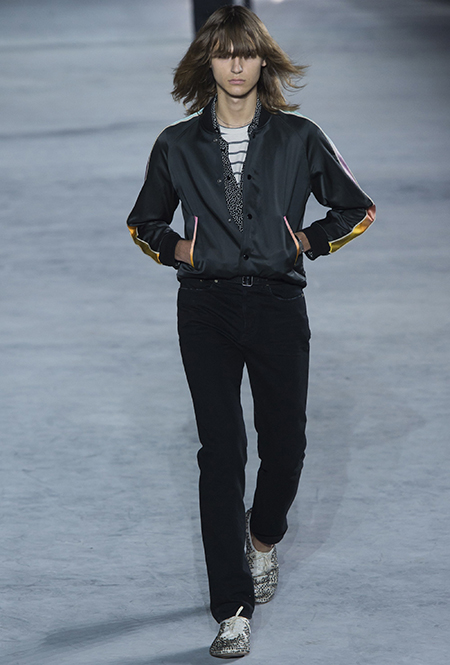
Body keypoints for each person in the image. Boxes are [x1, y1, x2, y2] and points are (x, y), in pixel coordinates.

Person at [127, 5, 375, 658]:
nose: (235, 65)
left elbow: (357, 207)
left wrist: (306, 241)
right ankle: (232, 609)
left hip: (276, 302)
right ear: (206, 61)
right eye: (223, 53)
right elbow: (144, 222)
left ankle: (263, 536)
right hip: (204, 307)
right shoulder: (176, 143)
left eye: (246, 52)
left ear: (263, 60)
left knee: (285, 445)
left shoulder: (299, 136)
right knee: (221, 452)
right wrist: (181, 250)